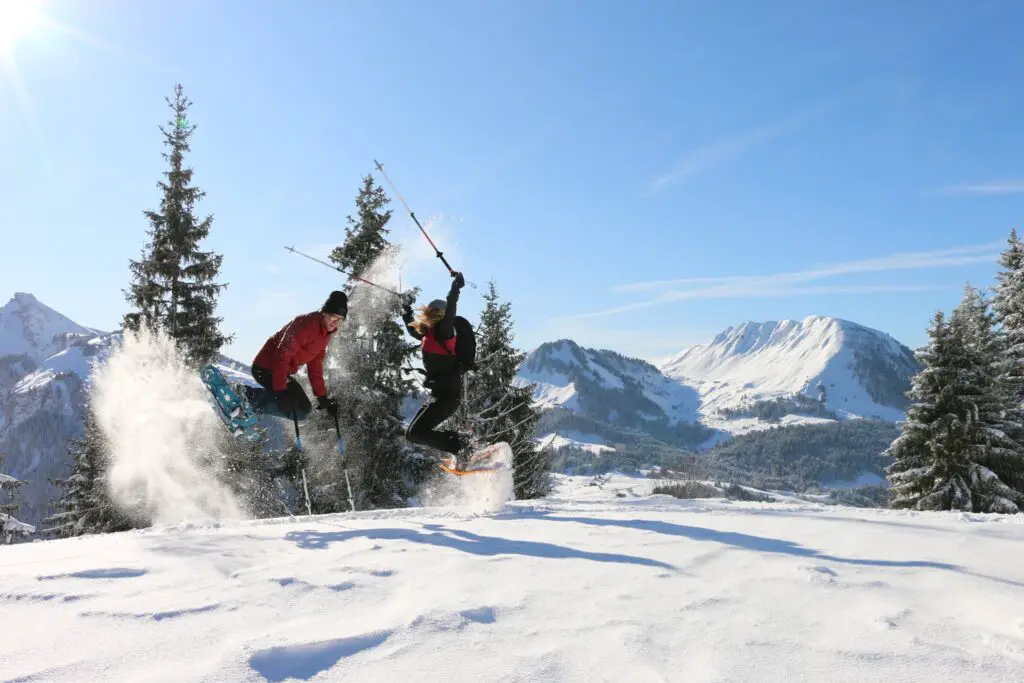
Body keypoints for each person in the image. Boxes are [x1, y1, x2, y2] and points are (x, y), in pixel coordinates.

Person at [402, 271, 471, 464]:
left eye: (432, 313)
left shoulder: (445, 333)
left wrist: (455, 289)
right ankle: (459, 443)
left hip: (448, 397)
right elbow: (411, 328)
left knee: (416, 433)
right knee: (412, 434)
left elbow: (450, 312)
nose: (428, 316)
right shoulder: (428, 335)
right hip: (438, 395)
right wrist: (405, 308)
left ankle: (460, 445)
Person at [247, 291, 345, 421]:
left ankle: (251, 403)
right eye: (333, 318)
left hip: (280, 372)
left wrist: (322, 397)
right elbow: (283, 355)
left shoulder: (324, 335)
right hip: (266, 368)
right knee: (297, 408)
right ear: (324, 313)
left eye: (340, 320)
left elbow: (315, 366)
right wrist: (281, 391)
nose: (336, 323)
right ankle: (247, 397)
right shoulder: (306, 325)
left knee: (303, 409)